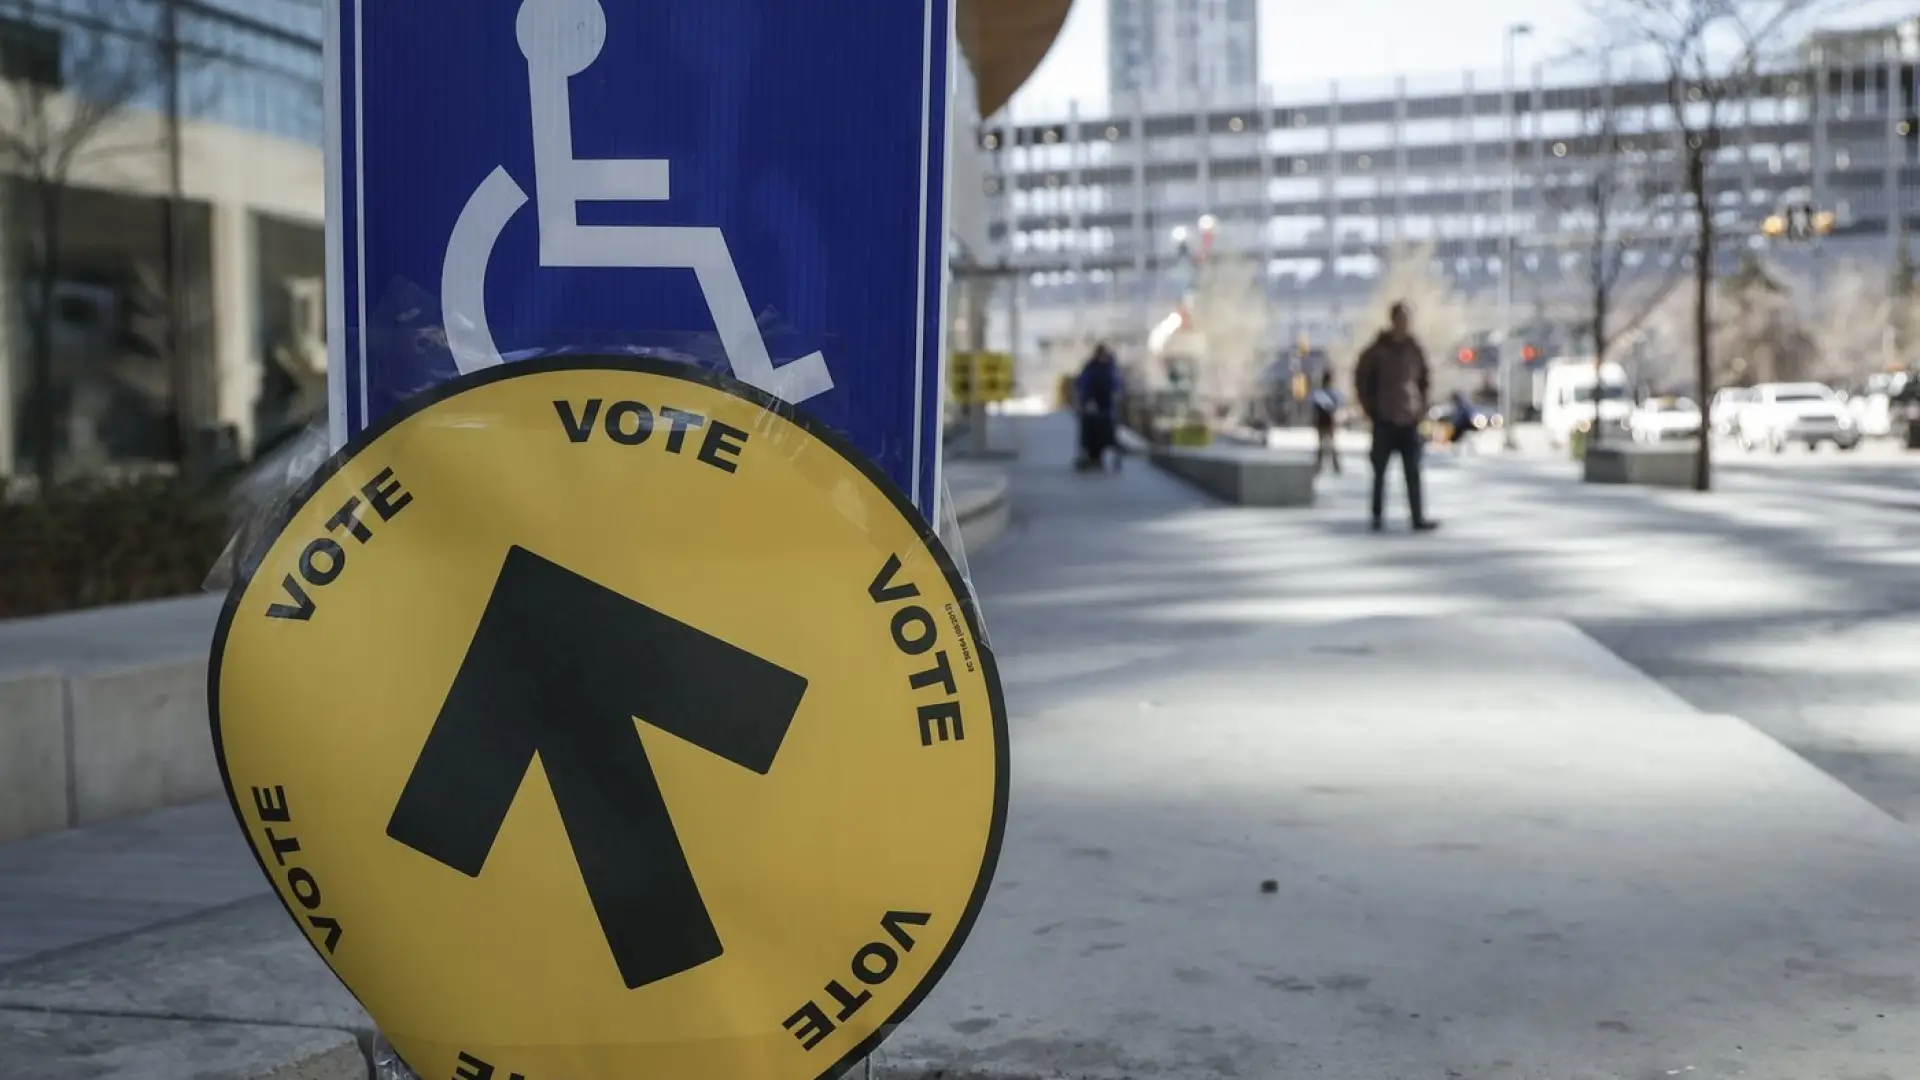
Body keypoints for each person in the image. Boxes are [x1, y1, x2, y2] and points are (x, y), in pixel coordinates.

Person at [1353, 301, 1438, 533]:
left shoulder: (1414, 349)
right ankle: (1377, 516)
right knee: (1380, 472)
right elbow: (1361, 378)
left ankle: (1417, 517)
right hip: (1384, 418)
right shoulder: (1378, 350)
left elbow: (1425, 379)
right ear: (1393, 320)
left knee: (1413, 471)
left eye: (1407, 319)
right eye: (1400, 318)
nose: (1404, 323)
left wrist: (1421, 407)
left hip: (1409, 419)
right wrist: (1370, 407)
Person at [1074, 344, 1124, 472]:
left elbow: (1117, 384)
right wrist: (1085, 401)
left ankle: (1099, 458)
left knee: (1106, 433)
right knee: (1090, 433)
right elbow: (1083, 384)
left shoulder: (1111, 369)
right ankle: (1093, 458)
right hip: (1091, 405)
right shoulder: (1091, 367)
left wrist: (1116, 395)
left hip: (1106, 406)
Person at [1308, 370, 1344, 476]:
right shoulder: (1332, 393)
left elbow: (1312, 405)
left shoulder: (1318, 393)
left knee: (1321, 445)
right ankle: (1335, 466)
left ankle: (1320, 465)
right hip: (1329, 422)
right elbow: (1339, 403)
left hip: (1321, 421)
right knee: (1331, 444)